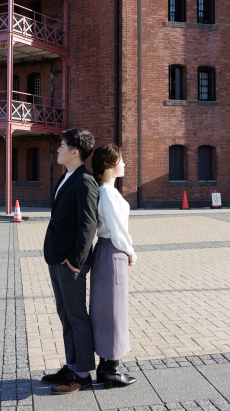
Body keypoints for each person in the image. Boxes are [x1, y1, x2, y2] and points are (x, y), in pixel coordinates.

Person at [40, 128, 99, 395]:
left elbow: (88, 224)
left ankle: (83, 374)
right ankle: (73, 365)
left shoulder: (85, 181)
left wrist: (74, 261)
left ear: (75, 152)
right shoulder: (67, 177)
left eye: (63, 146)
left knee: (76, 316)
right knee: (65, 314)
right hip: (57, 258)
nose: (58, 149)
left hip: (69, 262)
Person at [89, 144, 137, 389]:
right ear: (109, 165)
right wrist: (130, 251)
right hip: (112, 251)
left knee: (106, 309)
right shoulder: (107, 192)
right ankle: (112, 370)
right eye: (121, 160)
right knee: (114, 311)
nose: (125, 164)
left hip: (107, 251)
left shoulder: (106, 190)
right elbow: (117, 228)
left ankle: (104, 366)